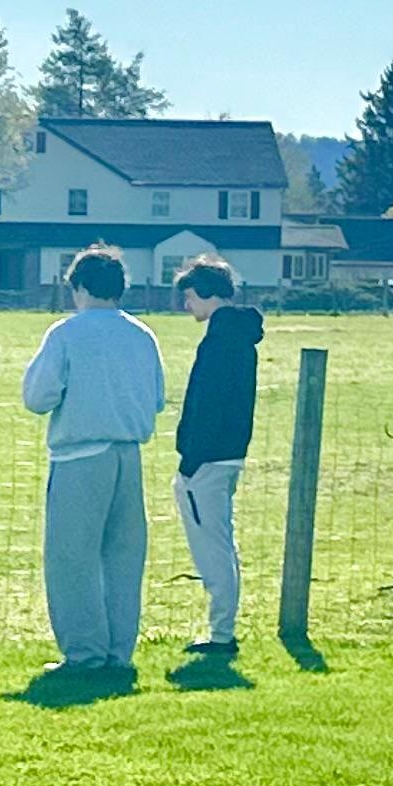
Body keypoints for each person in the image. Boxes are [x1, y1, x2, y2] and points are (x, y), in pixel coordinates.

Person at [22, 246, 167, 669]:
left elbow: (37, 397)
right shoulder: (142, 334)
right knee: (122, 557)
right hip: (129, 455)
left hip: (80, 455)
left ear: (80, 287)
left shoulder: (67, 333)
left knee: (72, 557)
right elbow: (156, 398)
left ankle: (85, 651)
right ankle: (119, 650)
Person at [173, 259, 263, 653]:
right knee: (219, 541)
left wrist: (191, 458)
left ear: (208, 294)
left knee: (213, 545)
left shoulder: (221, 340)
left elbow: (209, 403)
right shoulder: (236, 335)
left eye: (190, 297)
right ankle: (221, 628)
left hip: (208, 458)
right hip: (226, 453)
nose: (187, 305)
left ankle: (221, 632)